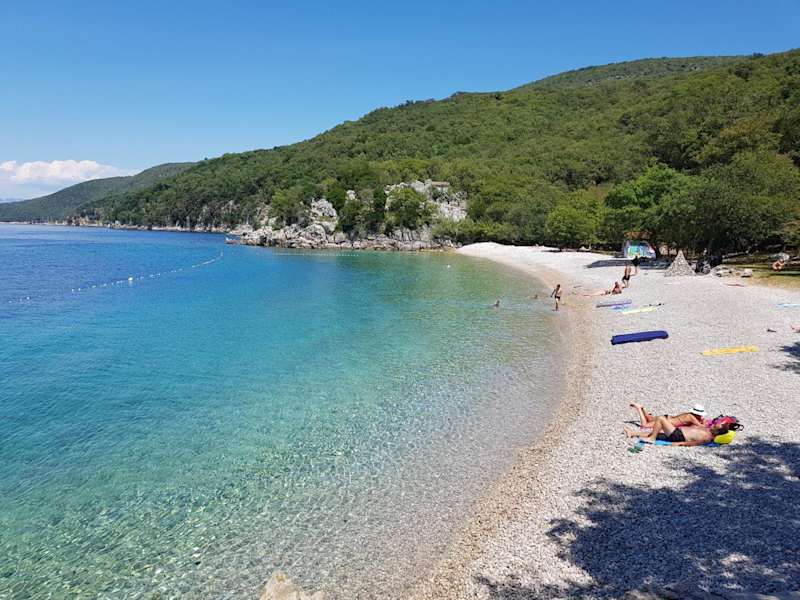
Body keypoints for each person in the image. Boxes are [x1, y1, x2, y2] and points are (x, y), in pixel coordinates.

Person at [625, 416, 735, 446]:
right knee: (658, 432)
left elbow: (694, 443)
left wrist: (679, 444)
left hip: (678, 436)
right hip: (677, 432)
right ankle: (632, 433)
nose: (715, 424)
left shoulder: (708, 437)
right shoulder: (708, 429)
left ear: (718, 430)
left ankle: (652, 439)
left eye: (716, 425)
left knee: (661, 419)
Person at [630, 402, 706, 429]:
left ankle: (642, 408)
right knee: (644, 425)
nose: (701, 416)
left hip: (667, 417)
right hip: (665, 421)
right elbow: (701, 427)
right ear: (697, 414)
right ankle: (639, 409)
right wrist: (704, 422)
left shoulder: (688, 414)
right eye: (700, 415)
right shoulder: (691, 417)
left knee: (650, 419)